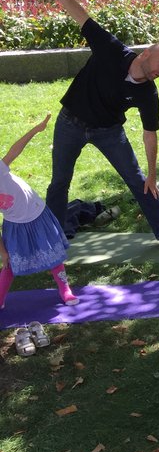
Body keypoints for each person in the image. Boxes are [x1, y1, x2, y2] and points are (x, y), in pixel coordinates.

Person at [26, 0, 159, 253]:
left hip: (108, 130)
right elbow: (77, 10)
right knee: (59, 183)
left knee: (139, 182)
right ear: (147, 53)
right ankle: (54, 239)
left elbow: (150, 133)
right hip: (71, 122)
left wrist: (152, 172)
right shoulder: (111, 49)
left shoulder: (148, 92)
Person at [0, 114, 77, 308]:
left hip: (38, 214)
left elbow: (15, 150)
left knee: (53, 254)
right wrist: (3, 252)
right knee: (10, 264)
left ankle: (65, 290)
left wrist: (36, 129)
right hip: (16, 225)